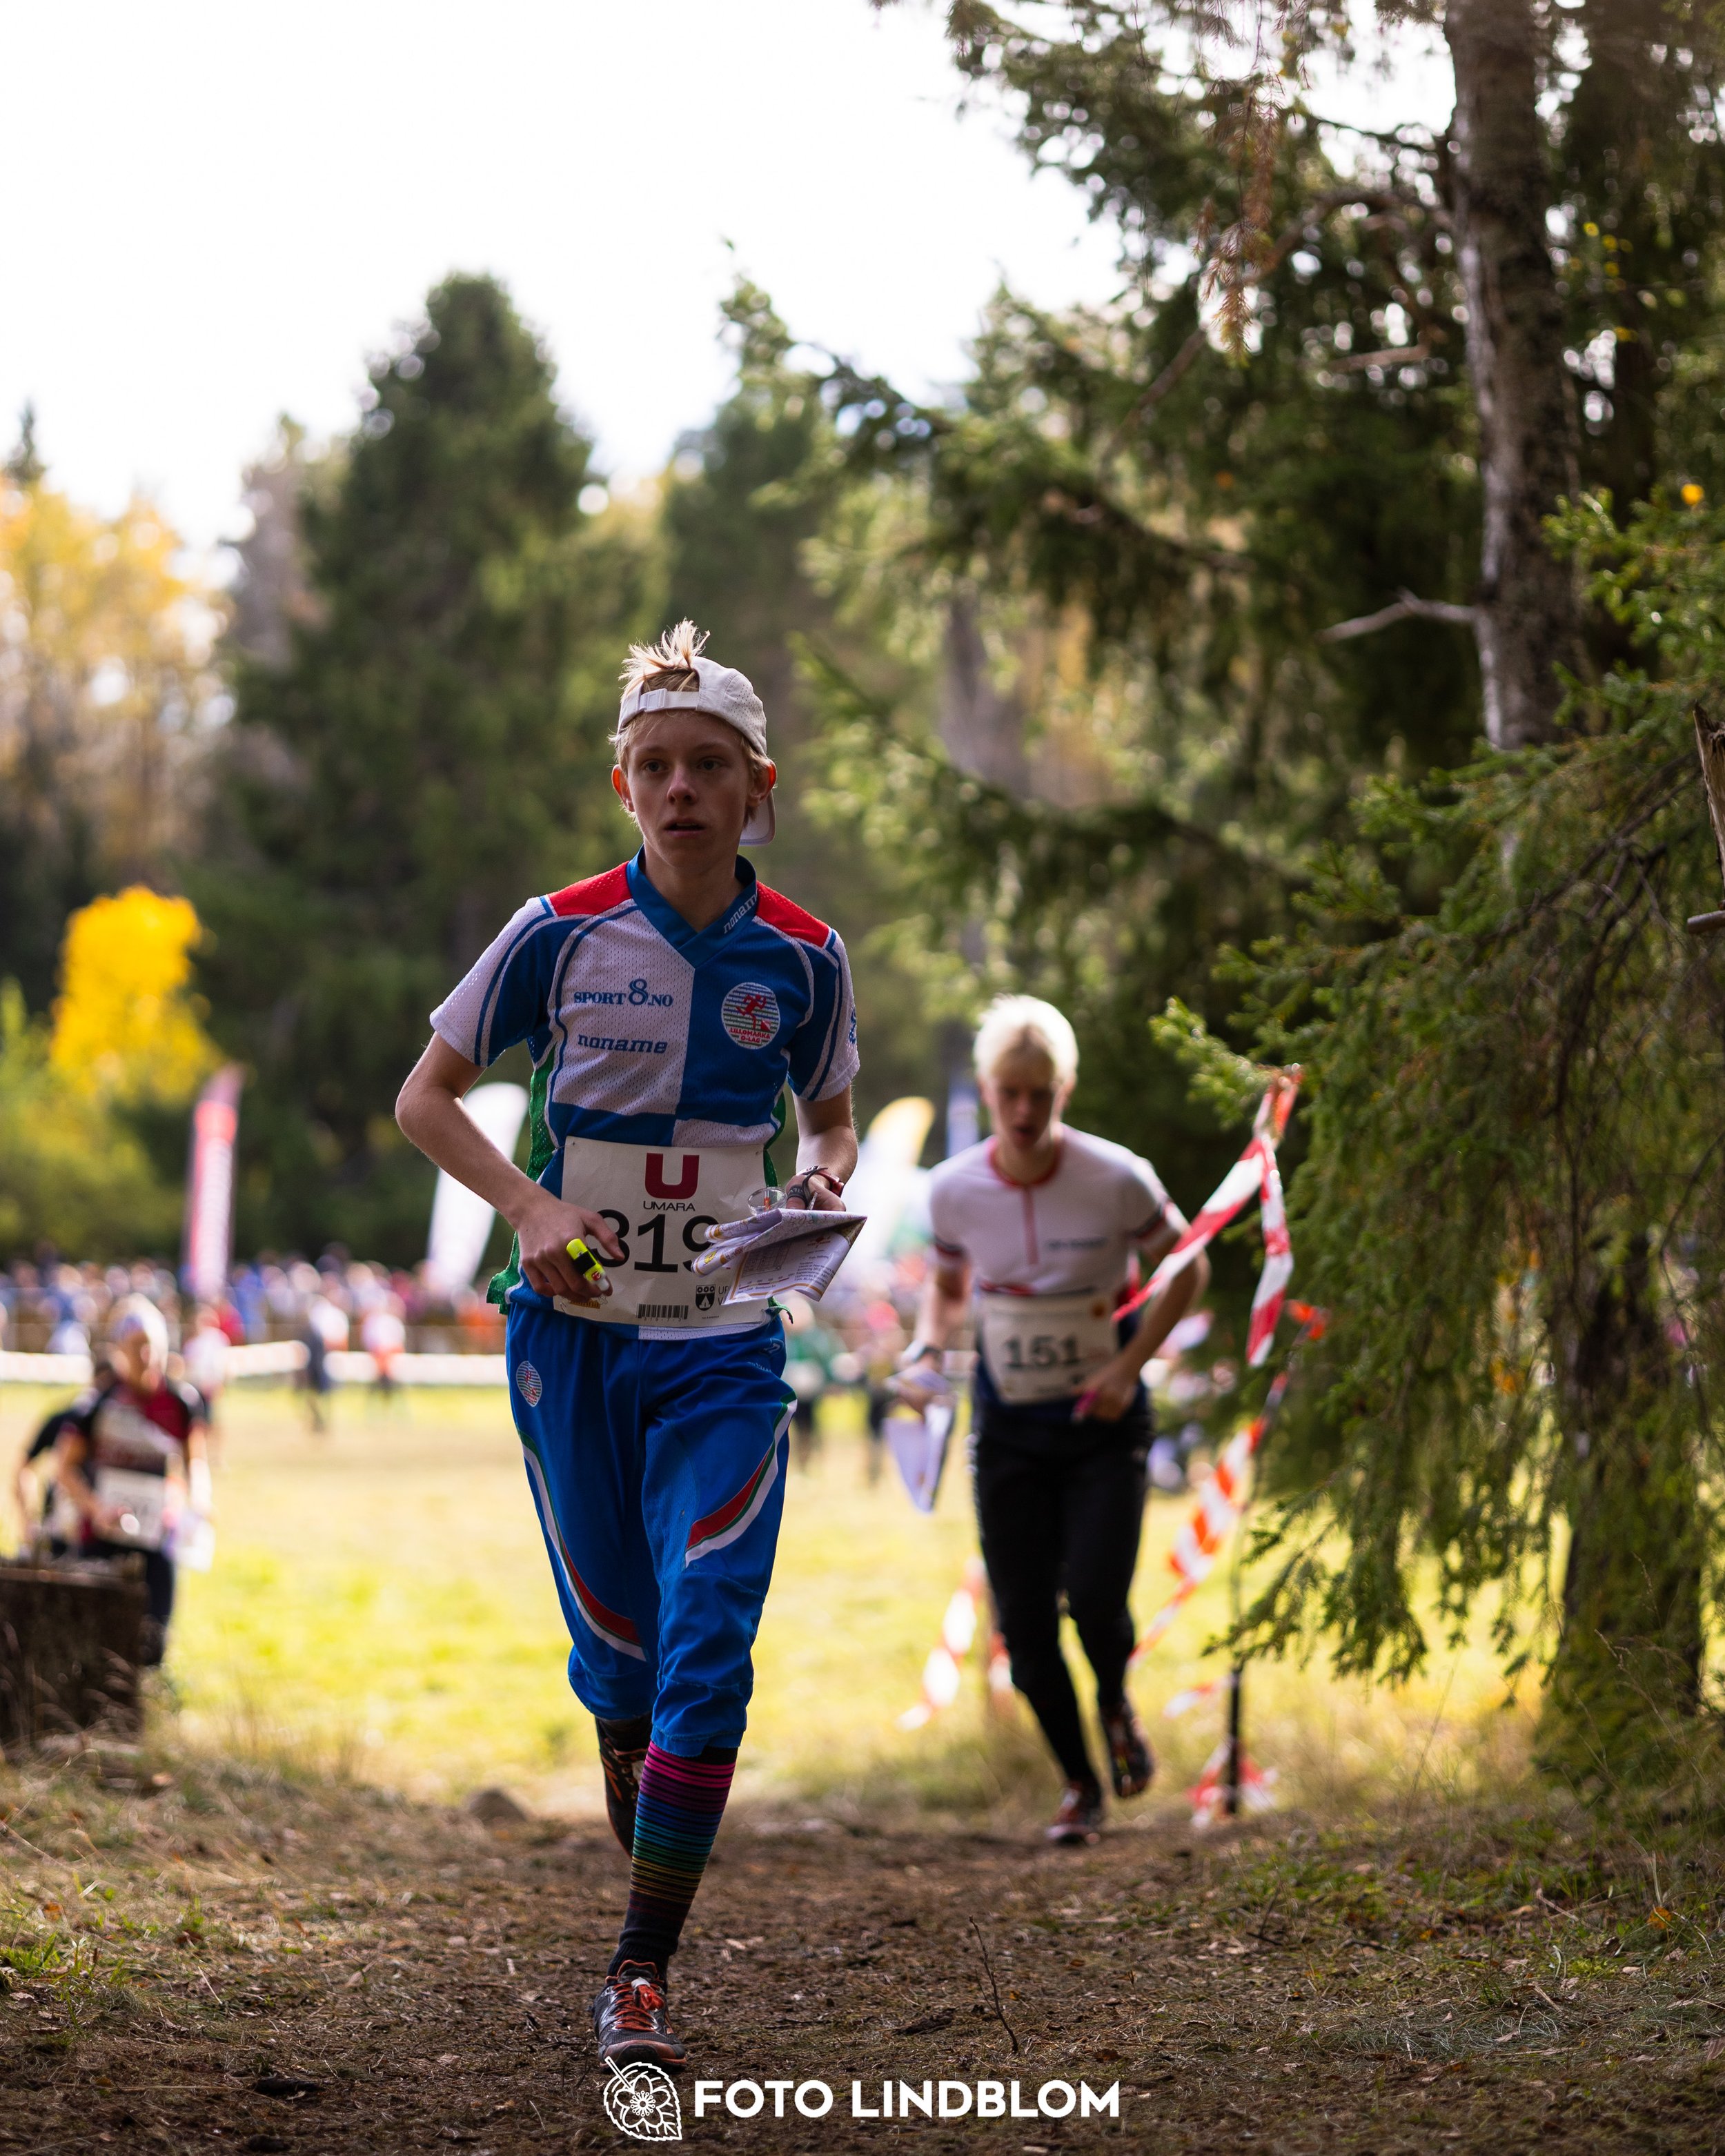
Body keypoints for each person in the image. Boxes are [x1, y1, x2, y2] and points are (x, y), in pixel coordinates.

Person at [395, 620, 858, 2073]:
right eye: (654, 765)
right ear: (621, 785)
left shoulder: (804, 956)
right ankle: (628, 1733)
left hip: (724, 1334)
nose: (681, 788)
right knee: (625, 1662)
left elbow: (831, 1108)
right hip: (574, 1339)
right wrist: (528, 1205)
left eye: (709, 765)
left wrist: (826, 1171)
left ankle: (639, 1974)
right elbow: (425, 1096)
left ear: (756, 784)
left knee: (707, 1644)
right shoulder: (554, 928)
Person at [898, 996, 1208, 1845]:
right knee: (1024, 1619)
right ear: (990, 1091)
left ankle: (1113, 1701)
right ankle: (1078, 1784)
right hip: (1008, 1423)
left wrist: (1128, 1362)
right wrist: (928, 1345)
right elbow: (951, 1285)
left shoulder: (1116, 1176)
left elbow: (1189, 1263)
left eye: (1042, 1093)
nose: (1026, 1112)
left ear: (1064, 1088)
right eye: (1010, 1094)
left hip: (1102, 1417)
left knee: (1099, 1596)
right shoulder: (954, 1187)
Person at [48, 1296, 210, 1668]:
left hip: (157, 1534)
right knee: (95, 1629)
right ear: (119, 1350)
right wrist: (95, 1509)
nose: (146, 1355)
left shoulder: (183, 1402)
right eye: (137, 1346)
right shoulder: (97, 1403)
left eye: (152, 1345)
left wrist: (199, 1498)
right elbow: (65, 1468)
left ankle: (149, 1695)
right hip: (102, 1533)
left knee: (156, 1630)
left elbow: (195, 1460)